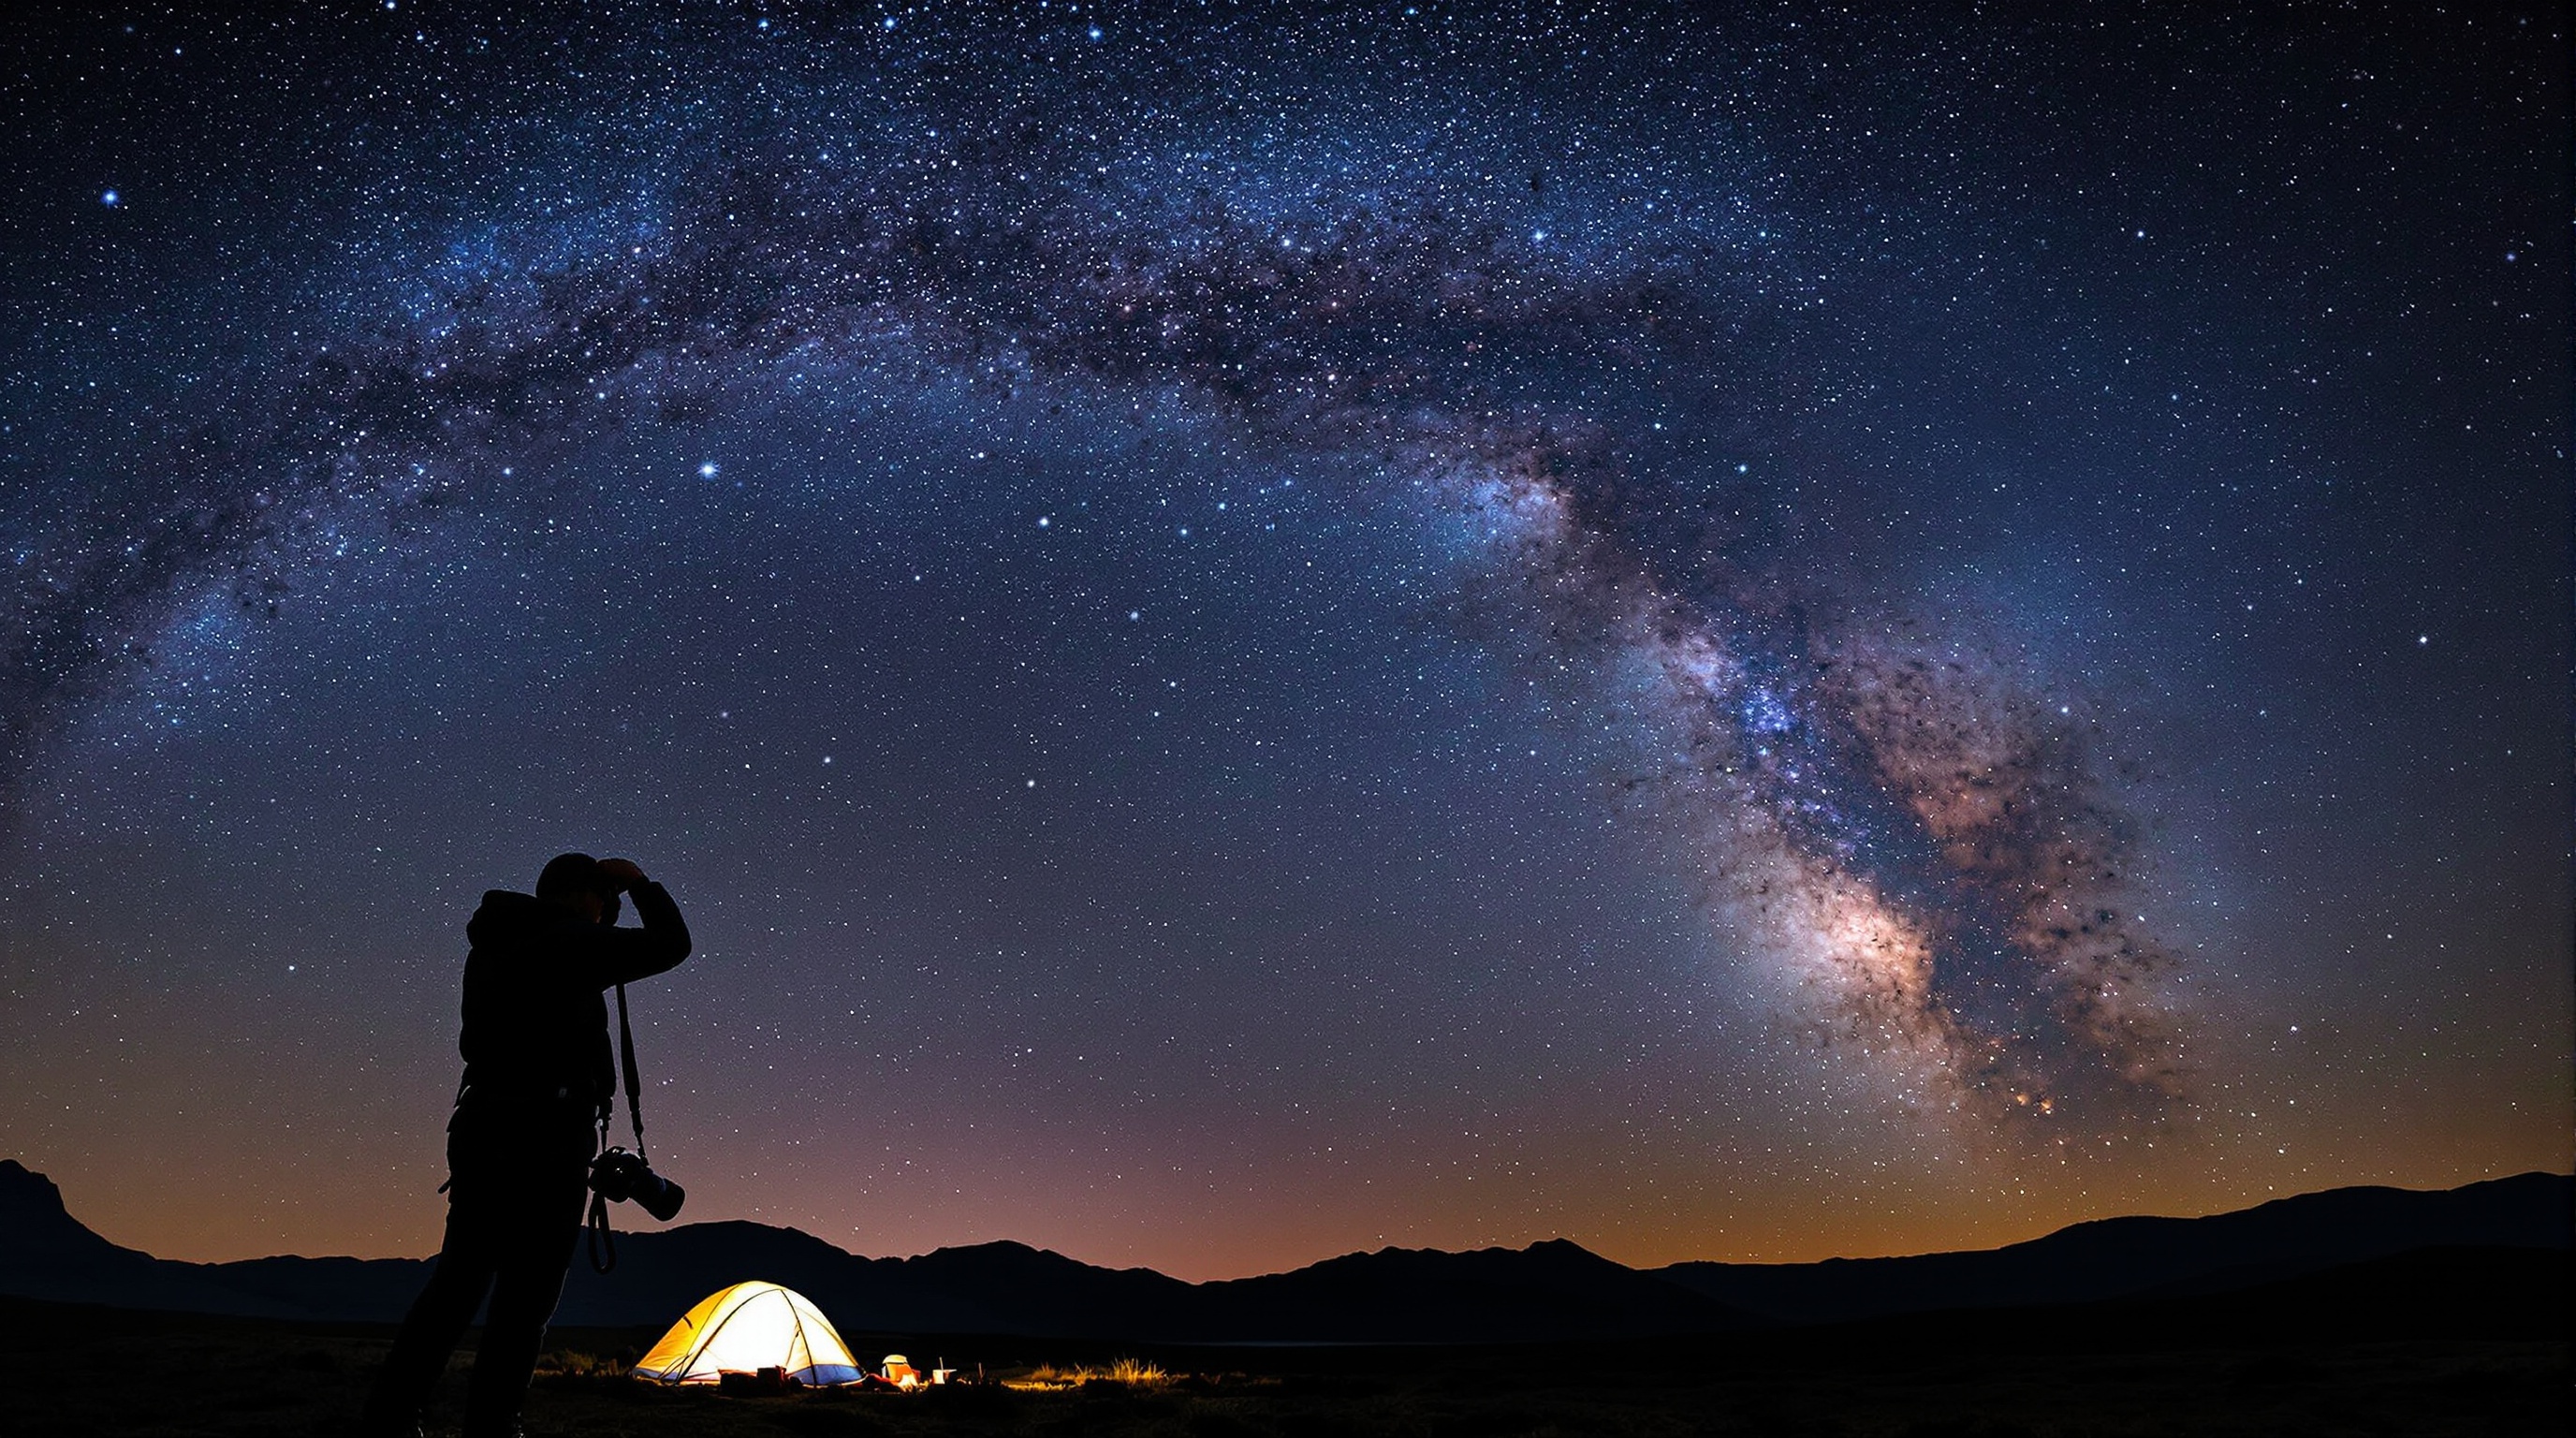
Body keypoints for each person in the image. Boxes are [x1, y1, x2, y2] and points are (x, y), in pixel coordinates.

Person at [361, 853, 691, 1438]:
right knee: (526, 1299)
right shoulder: (565, 942)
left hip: (485, 1126)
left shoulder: (496, 943)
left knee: (459, 1284)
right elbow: (671, 944)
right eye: (602, 901)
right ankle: (493, 1424)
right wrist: (640, 883)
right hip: (545, 1136)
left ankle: (392, 1411)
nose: (605, 914)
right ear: (582, 896)